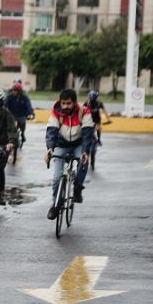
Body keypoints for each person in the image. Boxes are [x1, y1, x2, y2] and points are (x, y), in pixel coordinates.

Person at [44, 89, 94, 220]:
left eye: (68, 103)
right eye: (63, 103)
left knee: (83, 162)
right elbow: (51, 132)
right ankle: (55, 204)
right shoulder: (56, 112)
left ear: (75, 103)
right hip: (61, 145)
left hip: (78, 144)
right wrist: (50, 148)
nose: (65, 106)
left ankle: (77, 188)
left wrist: (85, 151)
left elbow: (88, 134)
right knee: (56, 178)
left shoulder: (84, 112)